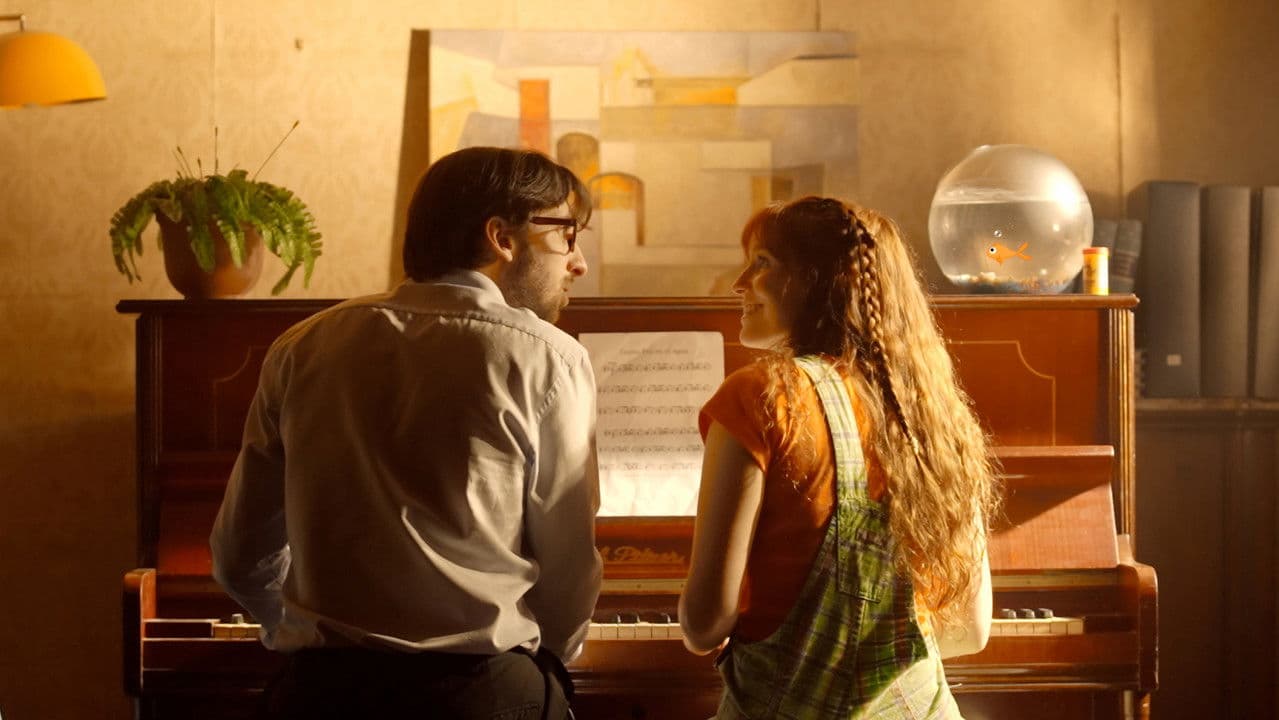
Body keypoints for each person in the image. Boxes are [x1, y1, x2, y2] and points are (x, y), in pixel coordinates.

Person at [210, 146, 603, 719]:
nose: (578, 262)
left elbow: (240, 555)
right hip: (481, 697)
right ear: (501, 237)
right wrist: (542, 663)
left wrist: (305, 638)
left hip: (322, 695)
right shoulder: (549, 357)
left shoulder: (301, 346)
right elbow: (568, 569)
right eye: (567, 235)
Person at [678, 196, 1000, 718]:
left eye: (761, 263)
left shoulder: (760, 396)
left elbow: (704, 624)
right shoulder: (936, 414)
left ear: (815, 280)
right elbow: (970, 631)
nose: (739, 283)